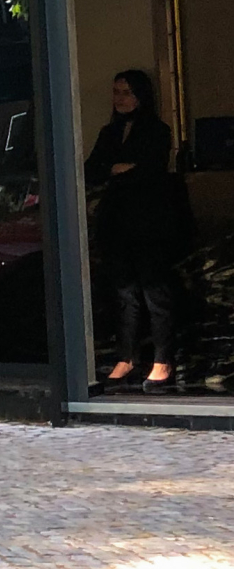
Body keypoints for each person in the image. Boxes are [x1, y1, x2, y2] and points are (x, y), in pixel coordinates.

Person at [85, 68, 182, 392]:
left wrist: (118, 171)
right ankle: (126, 357)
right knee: (124, 294)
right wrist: (121, 169)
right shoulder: (108, 132)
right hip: (116, 223)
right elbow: (93, 170)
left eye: (126, 92)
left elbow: (151, 171)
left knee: (155, 292)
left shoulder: (157, 130)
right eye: (116, 92)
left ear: (141, 94)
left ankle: (162, 360)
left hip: (149, 223)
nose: (120, 99)